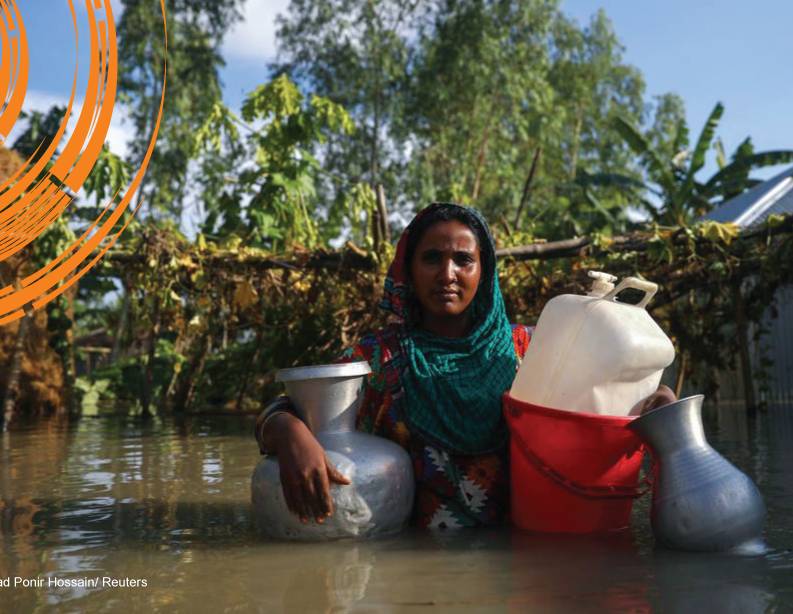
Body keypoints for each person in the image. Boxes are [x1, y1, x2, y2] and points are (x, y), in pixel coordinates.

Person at [255, 202, 675, 530]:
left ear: (484, 270)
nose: (447, 273)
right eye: (432, 258)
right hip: (415, 570)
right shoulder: (380, 357)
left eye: (463, 260)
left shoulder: (529, 350)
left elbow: (604, 410)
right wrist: (289, 432)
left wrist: (659, 405)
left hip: (524, 558)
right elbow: (292, 407)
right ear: (410, 269)